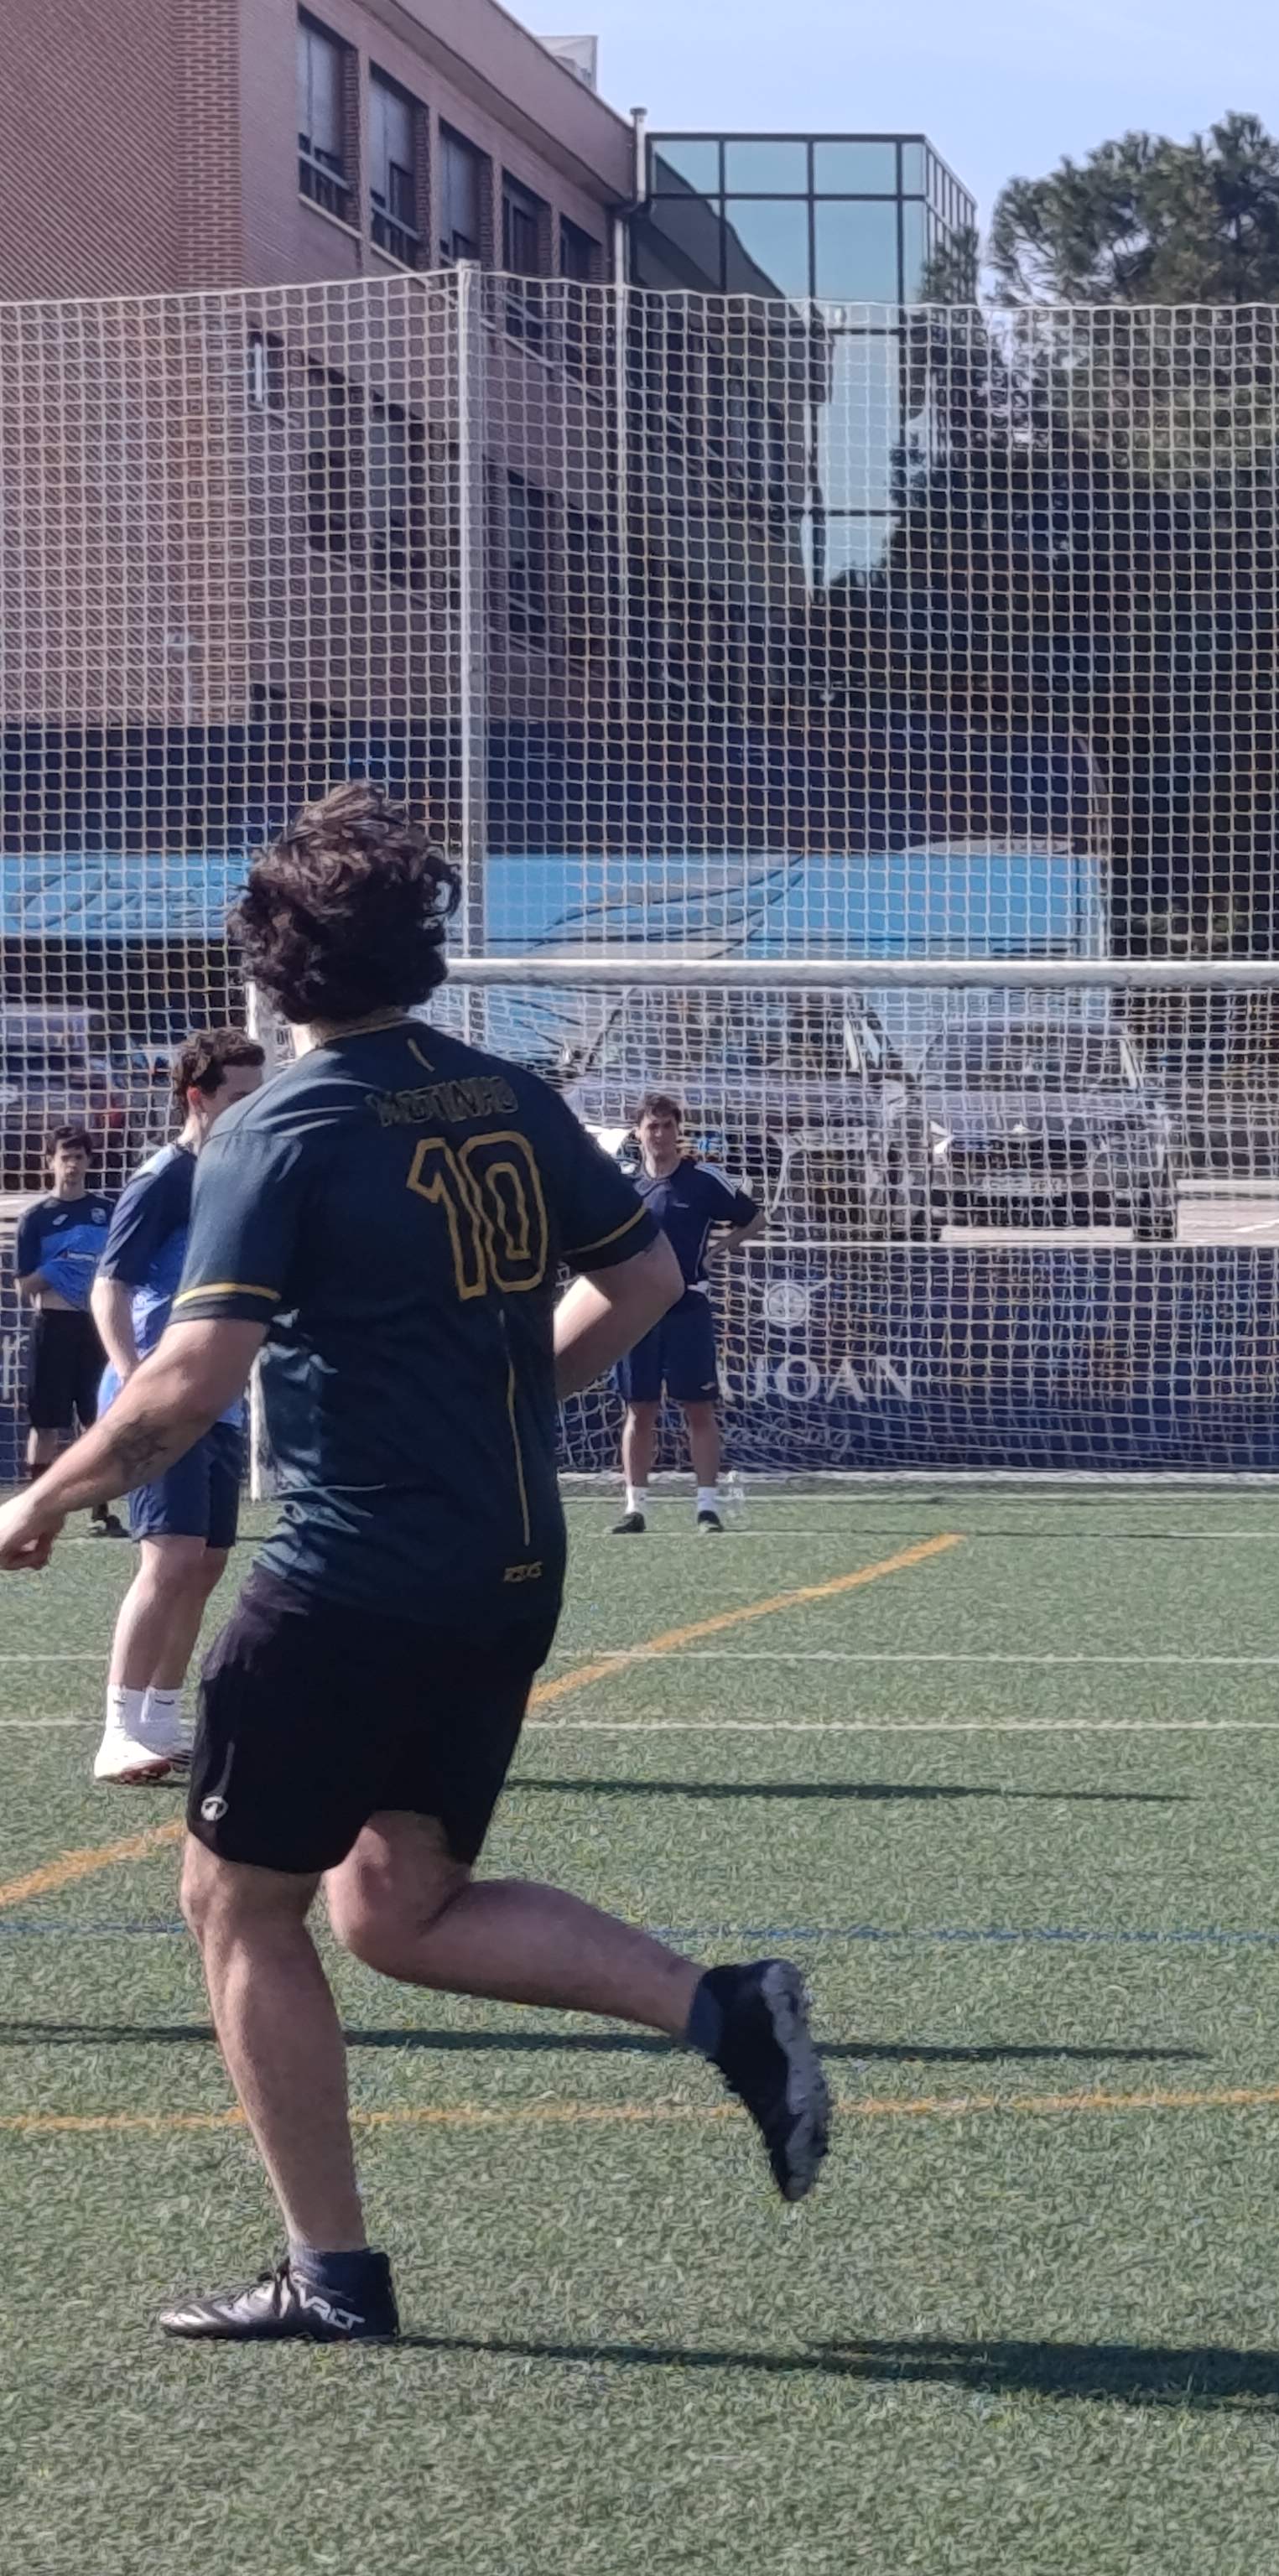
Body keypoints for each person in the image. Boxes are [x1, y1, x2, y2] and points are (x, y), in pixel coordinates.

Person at [0, 782, 830, 2345]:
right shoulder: (505, 1093)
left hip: (353, 1570)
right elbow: (647, 1275)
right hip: (506, 1563)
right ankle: (722, 2007)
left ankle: (333, 2276)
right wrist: (507, 1400)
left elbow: (185, 1386)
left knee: (236, 1903)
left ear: (272, 966)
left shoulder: (279, 1128)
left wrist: (35, 1500)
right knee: (396, 1906)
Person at [86, 1031, 268, 1785]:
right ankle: (117, 1730)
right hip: (161, 1395)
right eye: (240, 1096)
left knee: (206, 1562)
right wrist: (134, 1378)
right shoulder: (163, 1177)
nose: (255, 1108)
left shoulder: (239, 1174)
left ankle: (159, 1718)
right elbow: (110, 1285)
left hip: (214, 1397)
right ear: (198, 1097)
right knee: (168, 1561)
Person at [611, 1092, 760, 1535]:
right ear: (638, 1133)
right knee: (640, 1409)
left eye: (668, 1126)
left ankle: (707, 1508)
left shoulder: (702, 1180)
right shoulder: (622, 1186)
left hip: (688, 1308)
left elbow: (755, 1218)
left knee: (698, 1408)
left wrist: (718, 1250)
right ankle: (635, 1508)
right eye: (652, 1127)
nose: (660, 1134)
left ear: (679, 1131)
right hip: (637, 1311)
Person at [13, 1124, 124, 1537]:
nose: (72, 1165)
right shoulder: (36, 1218)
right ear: (50, 1162)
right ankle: (36, 1514)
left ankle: (101, 1511)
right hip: (53, 1325)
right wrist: (58, 1268)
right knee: (46, 1422)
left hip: (95, 1326)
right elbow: (22, 1286)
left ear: (89, 1162)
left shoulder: (107, 1211)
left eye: (79, 1157)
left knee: (99, 1420)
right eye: (65, 1157)